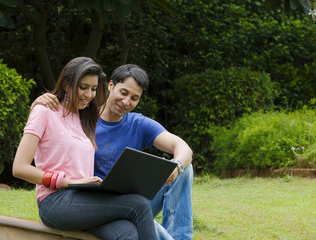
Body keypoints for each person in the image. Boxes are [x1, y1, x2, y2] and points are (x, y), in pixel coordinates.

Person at [32, 64, 194, 240]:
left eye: (134, 98)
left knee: (185, 169)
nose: (126, 102)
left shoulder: (138, 124)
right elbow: (55, 122)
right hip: (92, 202)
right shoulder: (85, 116)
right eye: (123, 93)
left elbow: (182, 146)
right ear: (110, 86)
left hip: (130, 199)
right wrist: (38, 105)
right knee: (135, 221)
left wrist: (177, 166)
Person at [13, 57, 157, 240]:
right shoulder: (44, 111)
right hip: (55, 202)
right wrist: (69, 182)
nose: (89, 94)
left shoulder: (86, 117)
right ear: (67, 84)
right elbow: (19, 167)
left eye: (94, 89)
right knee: (140, 204)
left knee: (127, 233)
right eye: (83, 87)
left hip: (85, 199)